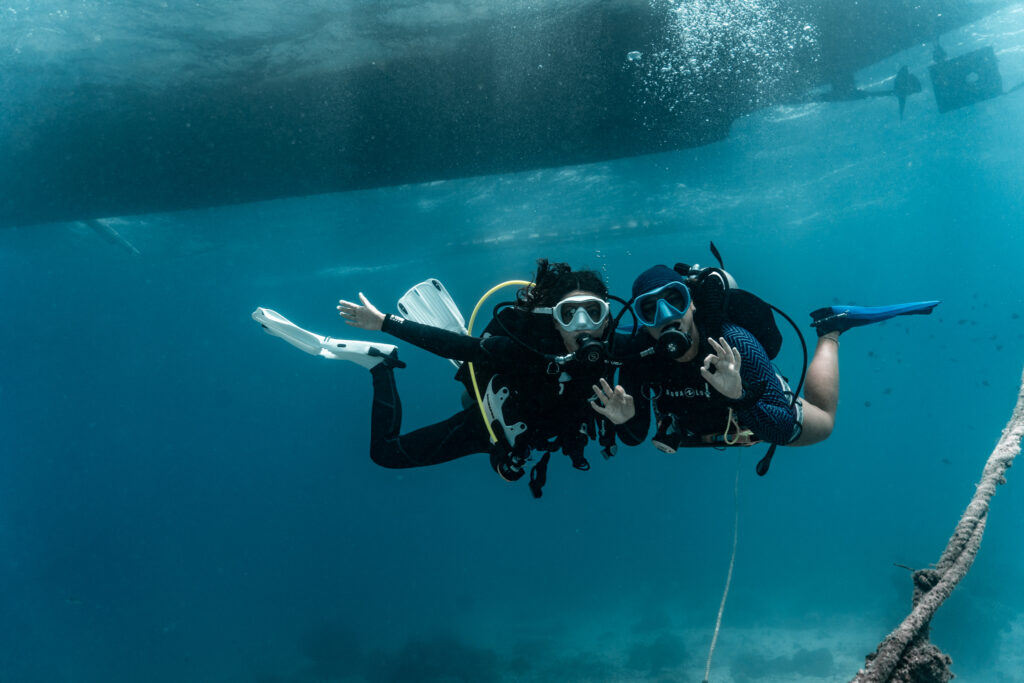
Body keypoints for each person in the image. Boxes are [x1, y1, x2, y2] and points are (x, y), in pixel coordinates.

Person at [334, 260, 630, 494]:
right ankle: (379, 364)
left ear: (606, 319)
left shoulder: (616, 351)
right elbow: (457, 346)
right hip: (494, 418)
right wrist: (384, 322)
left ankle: (503, 453)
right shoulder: (521, 350)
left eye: (593, 312)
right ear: (553, 317)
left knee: (507, 467)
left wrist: (624, 417)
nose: (582, 325)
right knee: (386, 453)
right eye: (569, 313)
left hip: (528, 435)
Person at [615, 264, 939, 472]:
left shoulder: (734, 344)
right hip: (707, 427)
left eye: (674, 300)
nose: (665, 315)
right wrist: (625, 419)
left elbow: (781, 432)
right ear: (642, 324)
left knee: (823, 423)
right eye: (649, 309)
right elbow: (633, 435)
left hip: (755, 411)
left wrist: (740, 396)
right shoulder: (641, 359)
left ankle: (830, 329)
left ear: (693, 302)